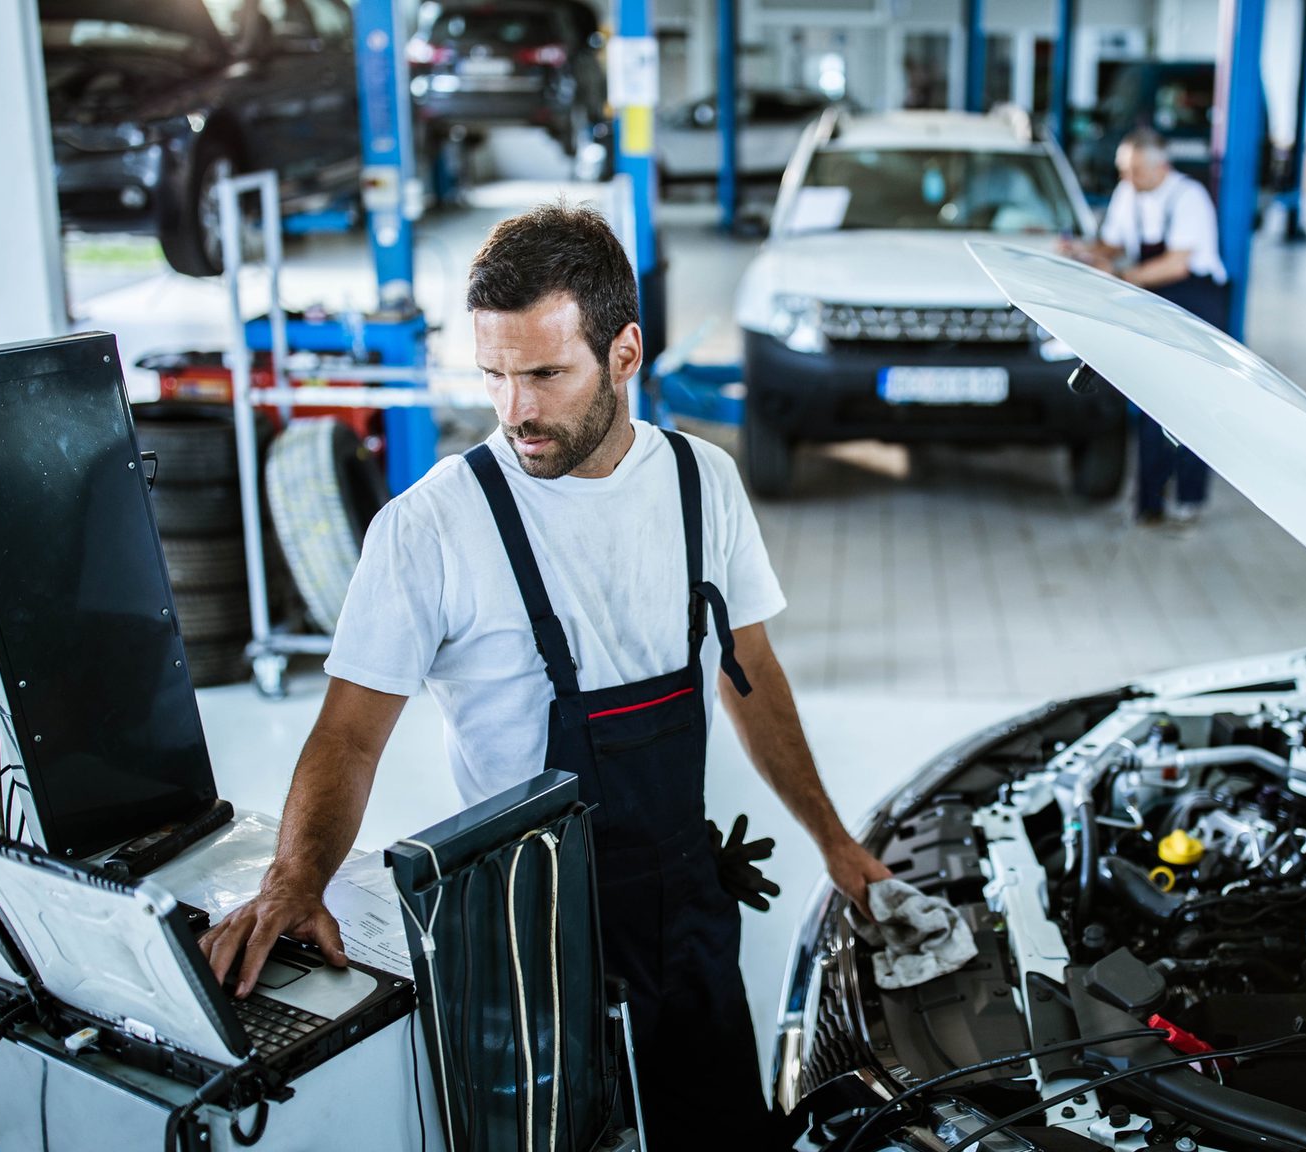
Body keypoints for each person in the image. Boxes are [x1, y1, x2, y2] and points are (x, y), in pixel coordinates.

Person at [198, 202, 891, 1146]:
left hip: (687, 904)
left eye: (544, 374)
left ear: (624, 353)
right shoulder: (432, 527)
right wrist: (294, 877)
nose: (515, 410)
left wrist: (835, 841)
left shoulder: (703, 484)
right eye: (494, 375)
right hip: (529, 941)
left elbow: (751, 672)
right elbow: (349, 734)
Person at [1060, 127, 1229, 524]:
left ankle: (1189, 499)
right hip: (1153, 300)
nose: (1126, 178)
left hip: (1195, 303)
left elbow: (1177, 264)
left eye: (1135, 170)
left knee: (1191, 402)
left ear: (1161, 167)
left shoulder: (1189, 198)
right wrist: (1081, 251)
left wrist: (1122, 276)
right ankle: (1149, 503)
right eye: (1124, 170)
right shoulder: (1128, 193)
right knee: (1152, 397)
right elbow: (1115, 243)